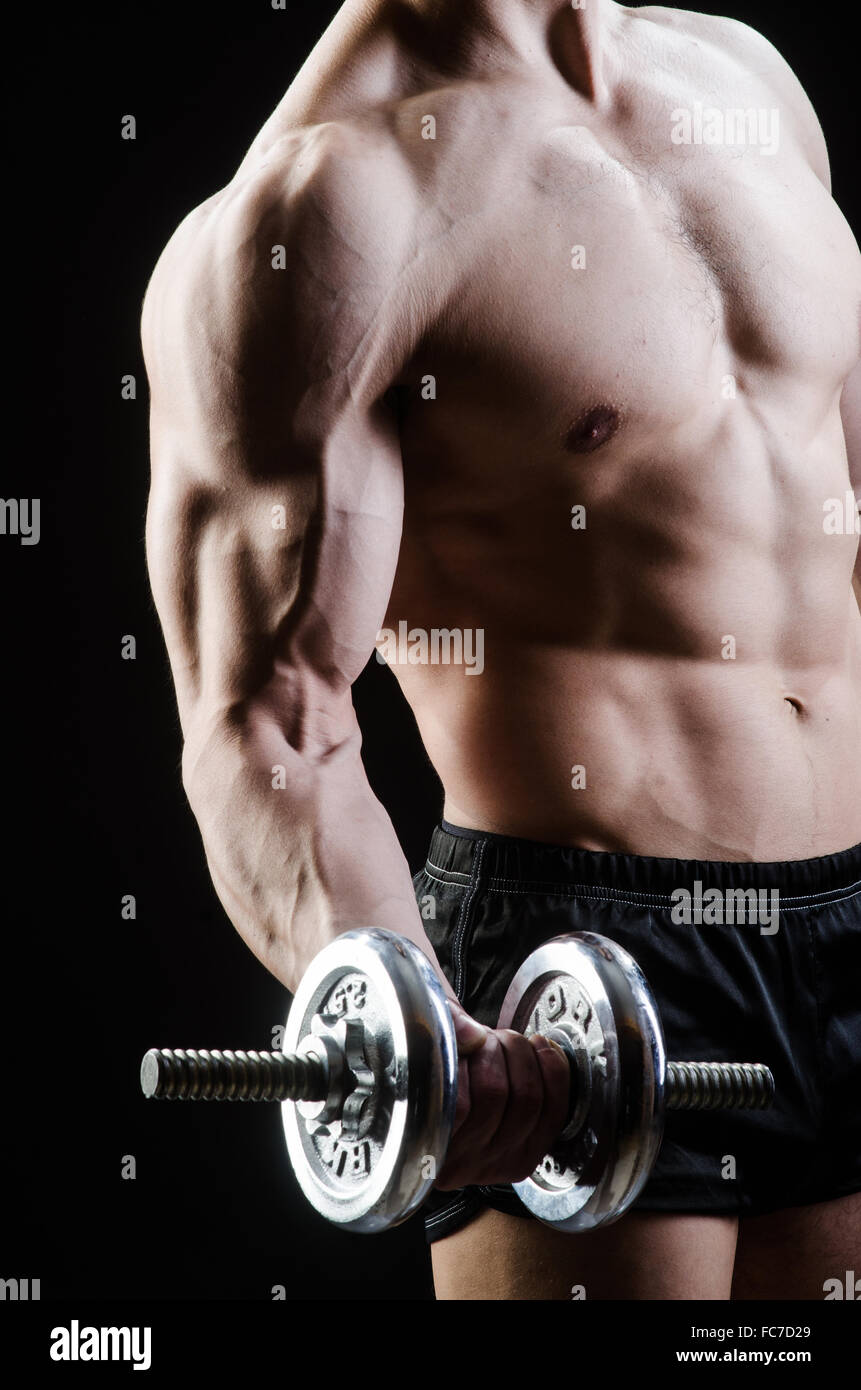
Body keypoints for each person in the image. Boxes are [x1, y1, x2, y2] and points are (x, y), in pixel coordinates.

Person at [141, 0, 861, 1299]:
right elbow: (267, 718)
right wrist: (412, 1015)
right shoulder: (332, 199)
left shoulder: (743, 79)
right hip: (579, 965)